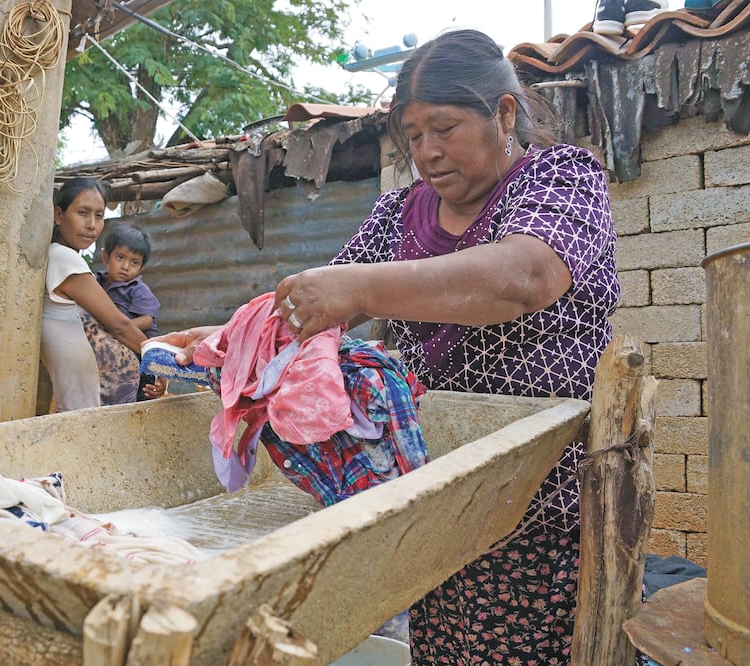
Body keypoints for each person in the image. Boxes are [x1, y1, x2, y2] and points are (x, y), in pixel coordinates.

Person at [154, 28, 620, 664]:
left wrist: (361, 288)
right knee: (439, 644)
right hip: (433, 488)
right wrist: (219, 343)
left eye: (444, 127)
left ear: (504, 113)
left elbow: (524, 278)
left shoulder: (561, 180)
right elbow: (315, 315)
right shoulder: (402, 214)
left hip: (539, 496)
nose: (427, 151)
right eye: (413, 134)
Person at [40, 177, 164, 412]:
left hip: (99, 398)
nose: (92, 225)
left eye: (99, 215)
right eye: (83, 213)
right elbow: (119, 325)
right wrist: (159, 362)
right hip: (93, 399)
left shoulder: (64, 258)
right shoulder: (64, 259)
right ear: (58, 215)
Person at [95, 222, 166, 401]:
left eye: (134, 262)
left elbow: (147, 320)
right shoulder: (96, 282)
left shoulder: (137, 289)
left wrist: (116, 328)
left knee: (141, 397)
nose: (126, 266)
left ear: (141, 268)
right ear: (105, 256)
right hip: (115, 356)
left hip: (141, 354)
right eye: (120, 258)